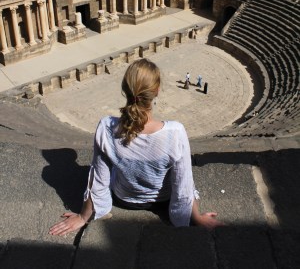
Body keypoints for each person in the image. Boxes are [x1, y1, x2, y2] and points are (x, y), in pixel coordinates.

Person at [49, 59, 223, 236]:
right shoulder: (175, 132)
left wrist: (83, 216)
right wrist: (197, 218)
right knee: (181, 169)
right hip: (163, 200)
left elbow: (99, 180)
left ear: (125, 89)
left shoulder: (106, 127)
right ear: (157, 91)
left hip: (124, 198)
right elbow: (183, 184)